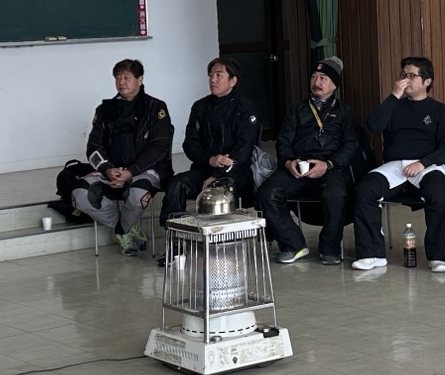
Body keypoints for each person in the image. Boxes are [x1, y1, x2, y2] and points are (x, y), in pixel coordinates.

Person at [353, 57, 445, 272]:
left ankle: (438, 257)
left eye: (412, 76)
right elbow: (373, 125)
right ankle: (371, 254)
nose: (405, 80)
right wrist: (394, 96)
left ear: (427, 81)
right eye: (403, 75)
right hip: (395, 165)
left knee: (438, 193)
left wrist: (423, 163)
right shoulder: (394, 105)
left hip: (427, 165)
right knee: (366, 188)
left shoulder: (440, 110)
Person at [258, 57, 362, 265]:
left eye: (323, 78)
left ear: (334, 85)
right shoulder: (297, 110)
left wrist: (329, 164)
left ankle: (330, 248)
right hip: (299, 166)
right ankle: (293, 244)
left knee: (335, 194)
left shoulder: (345, 112)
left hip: (331, 167)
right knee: (266, 193)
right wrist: (288, 162)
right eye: (314, 77)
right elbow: (284, 141)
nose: (317, 82)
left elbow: (351, 145)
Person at [72, 57, 175, 253]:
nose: (121, 82)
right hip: (112, 170)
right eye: (118, 78)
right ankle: (128, 226)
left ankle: (121, 230)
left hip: (146, 170)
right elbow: (93, 147)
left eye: (126, 77)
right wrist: (107, 169)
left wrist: (131, 171)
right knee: (80, 195)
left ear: (140, 79)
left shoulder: (156, 108)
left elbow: (159, 147)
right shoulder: (105, 110)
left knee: (137, 194)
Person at [160, 58, 260, 239]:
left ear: (233, 80)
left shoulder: (245, 108)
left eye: (218, 75)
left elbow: (243, 150)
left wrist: (217, 173)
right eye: (210, 75)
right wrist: (210, 159)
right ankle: (175, 240)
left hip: (235, 172)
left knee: (217, 190)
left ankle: (220, 242)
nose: (213, 80)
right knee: (176, 184)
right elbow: (189, 144)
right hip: (203, 168)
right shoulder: (200, 107)